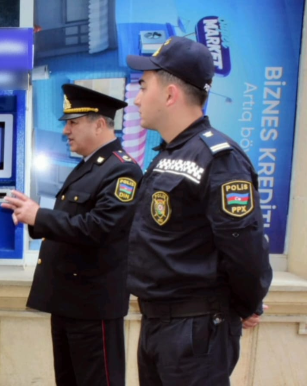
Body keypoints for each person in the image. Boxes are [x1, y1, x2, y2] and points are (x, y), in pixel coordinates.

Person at [126, 36, 273, 385]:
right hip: (159, 324)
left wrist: (248, 303)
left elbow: (244, 246)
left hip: (194, 331)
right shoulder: (169, 155)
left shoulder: (220, 159)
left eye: (144, 87)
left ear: (170, 94)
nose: (136, 98)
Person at [2, 84, 142, 386]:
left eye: (73, 123)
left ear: (100, 123)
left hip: (94, 308)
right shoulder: (88, 167)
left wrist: (39, 215)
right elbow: (71, 221)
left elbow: (99, 227)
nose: (66, 131)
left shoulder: (123, 171)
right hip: (68, 303)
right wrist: (33, 215)